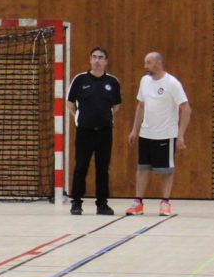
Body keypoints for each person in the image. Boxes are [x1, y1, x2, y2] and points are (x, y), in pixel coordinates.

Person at [126, 51, 191, 215]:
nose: (145, 66)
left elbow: (186, 109)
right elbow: (141, 106)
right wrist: (134, 130)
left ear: (158, 63)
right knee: (142, 168)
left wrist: (180, 135)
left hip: (165, 134)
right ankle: (138, 203)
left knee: (166, 171)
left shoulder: (172, 83)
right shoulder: (144, 81)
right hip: (146, 133)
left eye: (148, 62)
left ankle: (165, 203)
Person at [67, 46, 122, 214]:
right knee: (81, 167)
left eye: (101, 57)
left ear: (106, 61)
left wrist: (103, 116)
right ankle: (76, 202)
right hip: (84, 131)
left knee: (103, 168)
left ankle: (102, 204)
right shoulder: (80, 79)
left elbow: (116, 106)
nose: (97, 60)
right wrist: (79, 117)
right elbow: (70, 103)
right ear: (90, 60)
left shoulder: (112, 82)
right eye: (94, 57)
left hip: (105, 131)